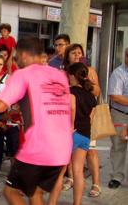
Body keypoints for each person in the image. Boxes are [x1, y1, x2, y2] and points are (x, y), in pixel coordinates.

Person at [0, 37, 72, 205]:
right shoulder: (59, 75)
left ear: (23, 55)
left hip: (39, 147)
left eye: (15, 57)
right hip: (63, 148)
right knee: (35, 192)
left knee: (11, 192)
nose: (15, 61)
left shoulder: (23, 74)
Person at [61, 43, 102, 197]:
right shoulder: (64, 72)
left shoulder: (89, 71)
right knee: (75, 165)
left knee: (91, 152)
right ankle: (71, 179)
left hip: (77, 127)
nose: (77, 55)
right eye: (73, 53)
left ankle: (96, 183)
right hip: (82, 127)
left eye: (79, 53)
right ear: (68, 56)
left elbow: (96, 91)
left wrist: (87, 82)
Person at [64, 63, 97, 205]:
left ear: (72, 76)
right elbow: (91, 117)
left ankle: (51, 202)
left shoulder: (69, 91)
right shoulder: (90, 95)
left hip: (71, 133)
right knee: (78, 172)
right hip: (85, 135)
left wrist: (70, 126)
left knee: (60, 172)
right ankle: (77, 203)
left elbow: (71, 107)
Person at [107, 46, 128, 190]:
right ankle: (116, 177)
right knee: (118, 146)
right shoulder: (118, 73)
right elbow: (114, 96)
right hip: (121, 115)